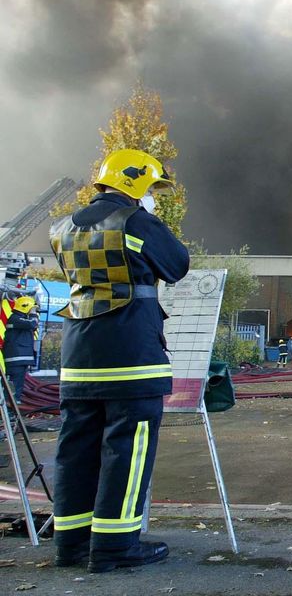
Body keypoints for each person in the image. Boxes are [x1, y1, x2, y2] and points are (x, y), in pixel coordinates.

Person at [48, 148, 189, 573]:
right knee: (126, 452)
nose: (154, 198)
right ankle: (115, 548)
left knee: (76, 451)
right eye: (151, 189)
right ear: (135, 184)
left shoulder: (62, 228)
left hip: (78, 359)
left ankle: (70, 544)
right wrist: (150, 221)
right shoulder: (137, 222)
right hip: (131, 358)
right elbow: (177, 265)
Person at [2, 296, 38, 405]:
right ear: (25, 307)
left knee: (17, 386)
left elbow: (33, 326)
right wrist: (32, 313)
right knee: (13, 386)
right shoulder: (15, 318)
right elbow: (32, 323)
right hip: (15, 360)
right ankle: (9, 408)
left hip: (20, 360)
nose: (34, 311)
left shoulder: (21, 319)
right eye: (32, 308)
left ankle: (13, 407)